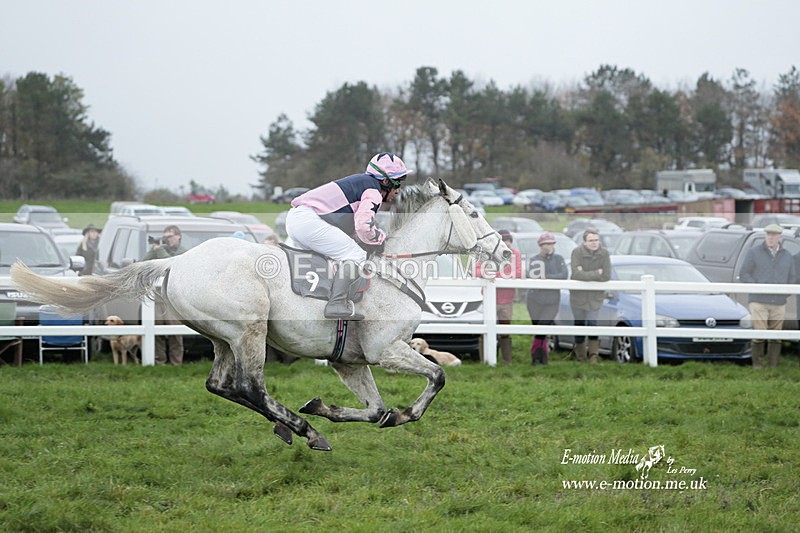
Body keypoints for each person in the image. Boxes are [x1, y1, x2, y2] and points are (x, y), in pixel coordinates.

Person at [285, 152, 412, 320]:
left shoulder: (361, 183)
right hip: (308, 221)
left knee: (331, 259)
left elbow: (351, 226)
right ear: (386, 181)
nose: (398, 191)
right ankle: (336, 304)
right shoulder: (373, 191)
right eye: (398, 184)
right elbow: (363, 226)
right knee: (355, 255)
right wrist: (380, 238)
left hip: (297, 218)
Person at [740, 224, 795, 368]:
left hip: (779, 301)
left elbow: (792, 277)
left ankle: (773, 366)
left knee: (776, 336)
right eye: (768, 234)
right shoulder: (754, 252)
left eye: (773, 235)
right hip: (759, 300)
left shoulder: (787, 255)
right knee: (759, 334)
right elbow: (744, 273)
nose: (770, 237)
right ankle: (757, 366)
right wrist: (757, 287)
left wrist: (784, 292)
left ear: (779, 237)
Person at [474, 229, 522, 364]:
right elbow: (475, 270)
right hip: (490, 299)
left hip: (507, 299)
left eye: (508, 241)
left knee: (505, 330)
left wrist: (495, 276)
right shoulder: (486, 254)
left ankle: (507, 361)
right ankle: (486, 360)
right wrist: (485, 273)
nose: (506, 244)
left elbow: (518, 273)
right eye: (503, 241)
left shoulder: (515, 255)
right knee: (486, 329)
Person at [143, 225, 187, 365]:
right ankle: (160, 361)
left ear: (178, 236)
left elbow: (171, 265)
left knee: (175, 332)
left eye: (169, 236)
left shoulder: (183, 252)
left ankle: (176, 362)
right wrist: (153, 250)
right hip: (157, 298)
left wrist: (160, 250)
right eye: (165, 236)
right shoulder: (160, 250)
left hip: (173, 299)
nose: (167, 240)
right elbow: (143, 263)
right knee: (156, 332)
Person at [569, 228, 611, 363]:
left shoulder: (604, 253)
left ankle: (593, 357)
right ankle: (581, 357)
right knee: (579, 325)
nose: (594, 243)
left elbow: (606, 275)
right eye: (591, 240)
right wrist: (596, 273)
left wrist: (586, 274)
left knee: (593, 324)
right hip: (578, 297)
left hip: (595, 297)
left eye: (596, 240)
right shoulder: (576, 252)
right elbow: (576, 274)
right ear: (585, 242)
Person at [526, 232, 568, 365]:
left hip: (552, 300)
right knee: (538, 328)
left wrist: (548, 277)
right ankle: (542, 357)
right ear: (541, 245)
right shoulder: (535, 259)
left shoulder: (559, 259)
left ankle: (535, 354)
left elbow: (564, 275)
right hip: (535, 300)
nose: (549, 246)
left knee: (543, 326)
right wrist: (551, 276)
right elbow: (535, 276)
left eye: (551, 243)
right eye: (546, 244)